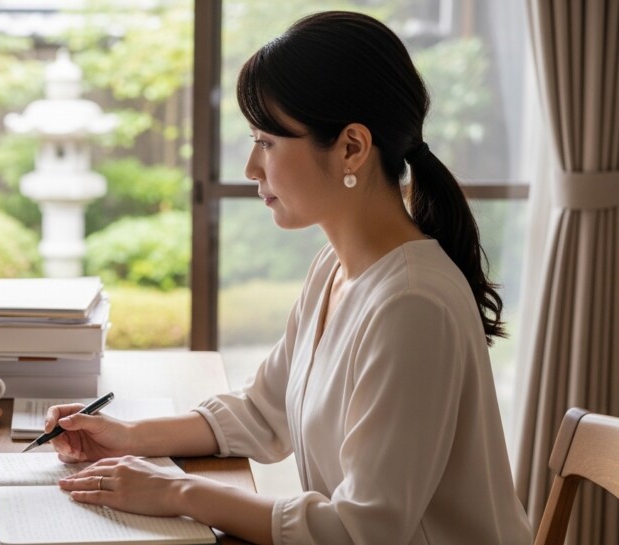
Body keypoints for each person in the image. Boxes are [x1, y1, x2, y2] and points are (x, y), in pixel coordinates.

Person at [46, 11, 532, 545]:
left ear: (352, 147)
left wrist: (176, 492)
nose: (252, 167)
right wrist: (125, 437)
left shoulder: (411, 303)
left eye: (268, 142)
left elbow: (360, 529)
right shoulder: (335, 267)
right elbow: (263, 410)